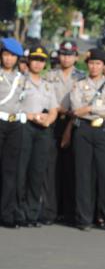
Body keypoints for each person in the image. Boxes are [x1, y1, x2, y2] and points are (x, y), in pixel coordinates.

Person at [70, 48, 105, 232]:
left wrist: (91, 108)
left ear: (103, 66)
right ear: (87, 64)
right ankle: (84, 219)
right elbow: (76, 108)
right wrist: (98, 107)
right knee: (83, 176)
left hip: (103, 131)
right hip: (83, 129)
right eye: (91, 63)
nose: (94, 66)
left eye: (98, 63)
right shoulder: (78, 84)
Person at [42, 40, 85, 225]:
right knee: (51, 168)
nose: (66, 58)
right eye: (63, 54)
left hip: (73, 123)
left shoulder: (81, 77)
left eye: (70, 54)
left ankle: (68, 211)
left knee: (71, 168)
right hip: (53, 121)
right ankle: (50, 211)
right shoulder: (50, 75)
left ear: (76, 57)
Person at [15, 45, 58, 227]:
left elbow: (54, 108)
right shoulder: (20, 82)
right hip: (25, 126)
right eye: (35, 60)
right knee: (21, 171)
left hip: (43, 130)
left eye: (41, 61)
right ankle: (18, 213)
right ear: (28, 61)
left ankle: (32, 213)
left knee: (37, 172)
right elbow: (13, 106)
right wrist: (31, 116)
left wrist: (49, 120)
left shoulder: (48, 85)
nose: (38, 64)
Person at [0, 37, 25, 228]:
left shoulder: (21, 78)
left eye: (12, 56)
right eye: (6, 55)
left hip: (15, 125)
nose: (8, 59)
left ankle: (6, 213)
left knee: (10, 171)